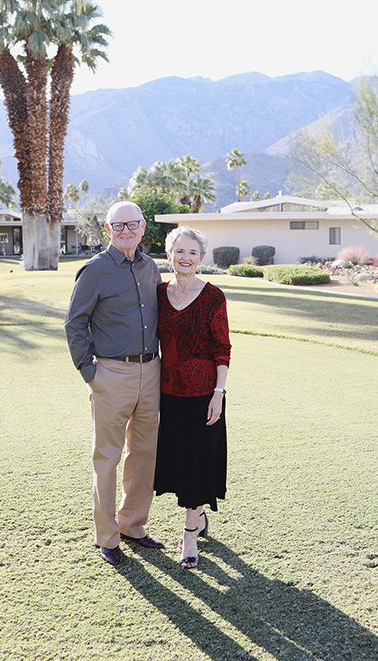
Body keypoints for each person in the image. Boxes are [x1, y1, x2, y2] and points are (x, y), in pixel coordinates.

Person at [64, 201, 164, 567]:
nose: (126, 230)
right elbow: (75, 323)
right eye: (118, 225)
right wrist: (90, 373)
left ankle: (133, 525)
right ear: (108, 229)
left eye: (132, 224)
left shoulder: (150, 267)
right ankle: (107, 537)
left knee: (144, 453)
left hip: (150, 371)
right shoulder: (94, 271)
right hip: (111, 374)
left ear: (141, 228)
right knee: (107, 457)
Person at [153, 226, 231, 570]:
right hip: (168, 395)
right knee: (180, 464)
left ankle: (188, 536)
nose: (185, 258)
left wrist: (218, 393)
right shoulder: (158, 293)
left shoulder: (214, 297)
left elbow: (223, 348)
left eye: (192, 253)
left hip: (203, 396)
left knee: (198, 463)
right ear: (169, 255)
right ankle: (197, 520)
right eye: (179, 251)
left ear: (201, 259)